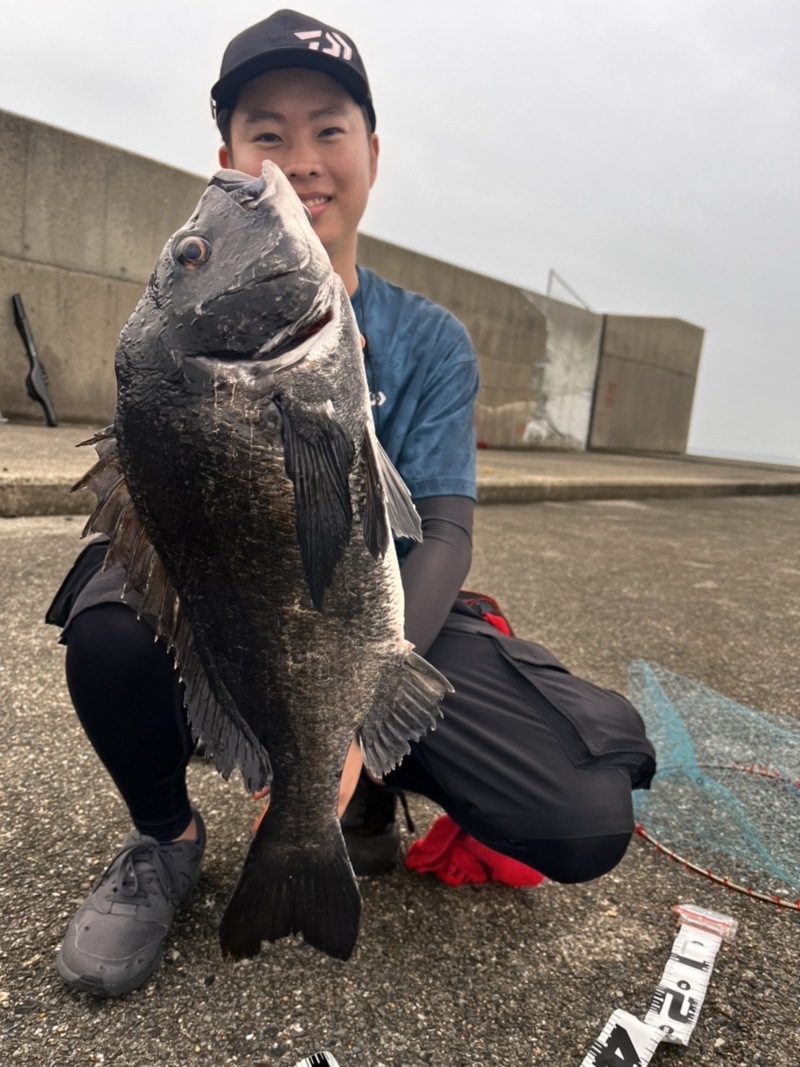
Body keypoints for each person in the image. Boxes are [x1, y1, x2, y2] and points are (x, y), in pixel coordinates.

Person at [48, 8, 656, 998]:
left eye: (328, 128)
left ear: (372, 148)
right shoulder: (178, 338)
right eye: (267, 135)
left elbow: (445, 530)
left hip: (381, 608)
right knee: (109, 631)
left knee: (584, 811)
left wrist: (356, 721)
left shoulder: (429, 340)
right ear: (228, 159)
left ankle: (362, 788)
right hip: (226, 612)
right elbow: (152, 495)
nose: (301, 160)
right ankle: (167, 836)